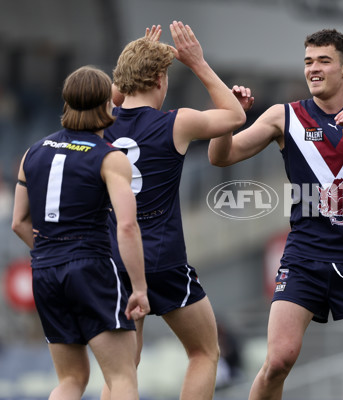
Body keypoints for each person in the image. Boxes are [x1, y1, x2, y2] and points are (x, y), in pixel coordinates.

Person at [208, 28, 343, 400]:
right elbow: (221, 156)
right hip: (305, 255)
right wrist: (230, 119)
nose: (313, 69)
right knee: (278, 360)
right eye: (308, 61)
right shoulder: (282, 116)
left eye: (323, 61)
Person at [101, 21, 246, 400]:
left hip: (114, 258)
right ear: (160, 79)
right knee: (204, 352)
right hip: (163, 259)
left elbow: (115, 94)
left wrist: (135, 61)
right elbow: (234, 116)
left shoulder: (99, 123)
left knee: (120, 372)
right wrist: (198, 63)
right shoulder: (175, 123)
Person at [11, 65, 149, 400]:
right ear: (107, 106)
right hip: (91, 267)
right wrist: (140, 288)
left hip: (44, 271)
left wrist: (52, 254)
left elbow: (18, 222)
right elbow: (127, 225)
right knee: (122, 377)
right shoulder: (110, 158)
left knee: (71, 379)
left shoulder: (33, 152)